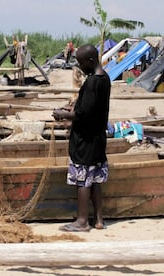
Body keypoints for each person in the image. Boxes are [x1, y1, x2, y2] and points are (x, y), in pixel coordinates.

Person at [52, 43, 111, 232]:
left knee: (82, 179)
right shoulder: (105, 78)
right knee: (94, 179)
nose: (80, 67)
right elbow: (91, 109)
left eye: (81, 63)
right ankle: (99, 219)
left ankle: (82, 221)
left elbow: (84, 113)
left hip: (85, 139)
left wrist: (62, 114)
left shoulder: (93, 82)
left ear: (91, 61)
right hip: (98, 137)